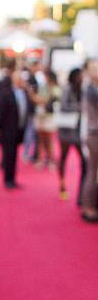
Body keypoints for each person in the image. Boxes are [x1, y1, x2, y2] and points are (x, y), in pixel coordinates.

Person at [0, 69, 29, 188]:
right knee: (8, 155)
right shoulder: (6, 93)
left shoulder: (24, 93)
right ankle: (8, 179)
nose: (22, 81)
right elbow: (0, 111)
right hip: (8, 129)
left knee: (14, 155)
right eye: (19, 78)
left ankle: (12, 179)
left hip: (20, 128)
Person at [57, 68, 86, 203]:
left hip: (79, 131)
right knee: (63, 157)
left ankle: (82, 192)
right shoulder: (67, 89)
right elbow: (63, 106)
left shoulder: (84, 89)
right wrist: (80, 107)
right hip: (67, 130)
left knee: (84, 161)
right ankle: (62, 185)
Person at [80, 59, 98, 222]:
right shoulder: (91, 90)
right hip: (95, 134)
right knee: (92, 172)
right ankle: (89, 207)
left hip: (93, 133)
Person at [34, 70, 60, 170]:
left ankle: (51, 160)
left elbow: (45, 100)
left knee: (49, 139)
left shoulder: (55, 89)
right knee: (41, 139)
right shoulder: (43, 87)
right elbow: (39, 99)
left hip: (50, 116)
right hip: (41, 115)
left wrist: (39, 99)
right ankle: (41, 159)